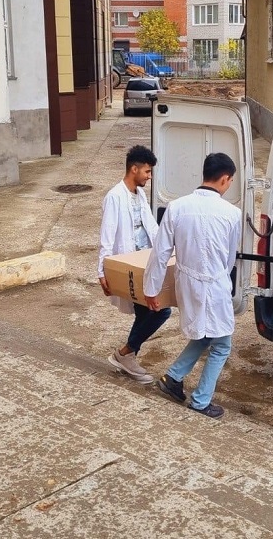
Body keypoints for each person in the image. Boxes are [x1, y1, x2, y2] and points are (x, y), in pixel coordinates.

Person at [144, 153, 241, 420]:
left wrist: (151, 289)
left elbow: (160, 253)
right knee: (222, 345)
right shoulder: (232, 214)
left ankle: (173, 377)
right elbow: (230, 258)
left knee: (205, 335)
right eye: (230, 181)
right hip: (216, 283)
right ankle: (201, 401)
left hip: (186, 282)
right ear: (225, 179)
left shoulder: (176, 207)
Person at [98, 145, 171, 384]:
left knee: (148, 312)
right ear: (134, 169)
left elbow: (152, 228)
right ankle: (125, 354)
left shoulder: (139, 195)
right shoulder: (115, 197)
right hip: (129, 265)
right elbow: (107, 236)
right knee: (160, 310)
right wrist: (102, 271)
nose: (149, 177)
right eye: (147, 172)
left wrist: (167, 251)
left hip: (145, 263)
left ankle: (126, 356)